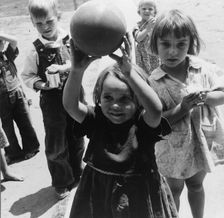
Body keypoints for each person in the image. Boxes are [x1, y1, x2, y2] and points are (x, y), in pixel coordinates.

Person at [63, 34, 178, 217]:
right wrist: (76, 71)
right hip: (98, 193)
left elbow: (156, 110)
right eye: (108, 97)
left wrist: (129, 72)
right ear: (98, 97)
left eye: (125, 98)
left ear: (139, 101)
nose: (115, 105)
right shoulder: (96, 119)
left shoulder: (144, 124)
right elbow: (70, 105)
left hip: (139, 195)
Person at [148, 9, 224, 218]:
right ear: (156, 44)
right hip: (171, 148)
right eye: (166, 44)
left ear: (191, 43)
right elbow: (156, 122)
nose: (173, 51)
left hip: (201, 142)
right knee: (173, 189)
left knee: (196, 185)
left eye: (181, 44)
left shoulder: (203, 69)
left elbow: (222, 94)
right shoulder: (153, 81)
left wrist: (203, 98)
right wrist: (183, 108)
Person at [21, 0, 85, 200]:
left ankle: (77, 171)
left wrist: (64, 68)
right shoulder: (34, 50)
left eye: (49, 21)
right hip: (52, 102)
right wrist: (43, 85)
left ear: (58, 17)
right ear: (32, 23)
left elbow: (81, 60)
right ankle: (61, 180)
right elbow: (28, 77)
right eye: (39, 24)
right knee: (56, 143)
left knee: (77, 135)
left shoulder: (70, 39)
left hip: (74, 94)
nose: (45, 27)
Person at [0, 32, 40, 164]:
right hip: (1, 98)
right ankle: (13, 153)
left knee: (25, 121)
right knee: (7, 127)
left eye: (1, 42)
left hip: (16, 92)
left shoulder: (7, 54)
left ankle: (32, 147)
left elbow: (14, 40)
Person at [132, 0, 160, 76]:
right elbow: (138, 38)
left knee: (157, 75)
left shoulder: (158, 24)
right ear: (139, 11)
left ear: (155, 12)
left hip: (155, 56)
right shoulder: (137, 25)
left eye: (150, 9)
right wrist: (147, 29)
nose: (147, 11)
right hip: (142, 57)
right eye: (144, 9)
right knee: (144, 75)